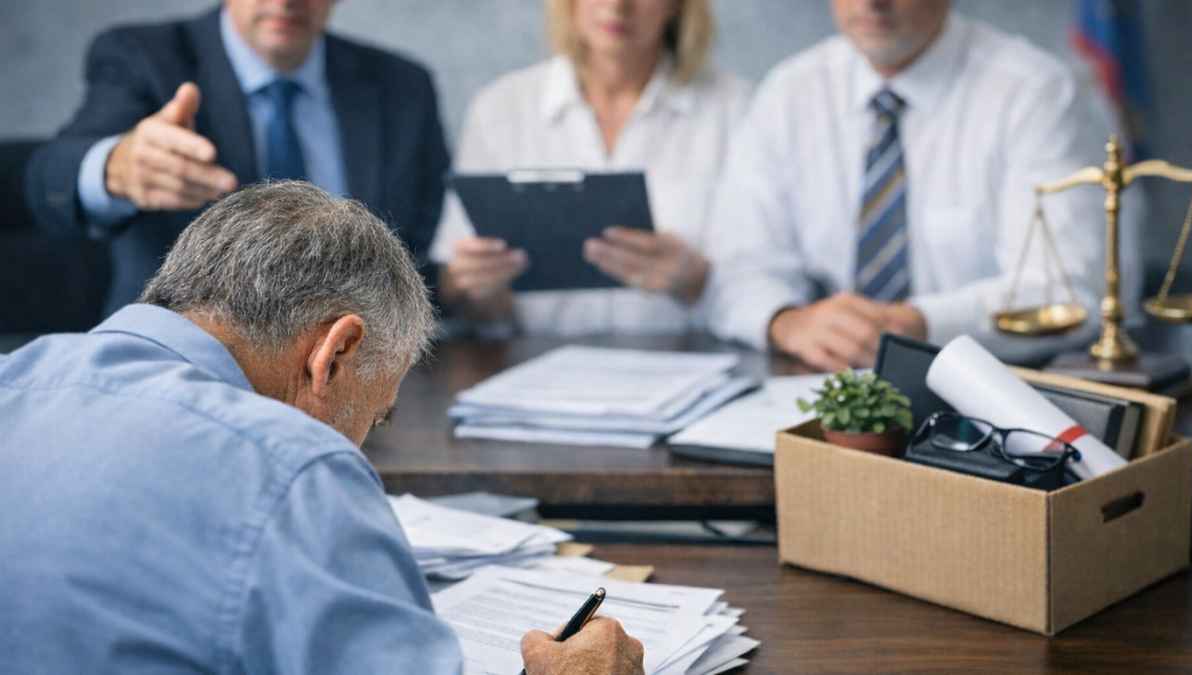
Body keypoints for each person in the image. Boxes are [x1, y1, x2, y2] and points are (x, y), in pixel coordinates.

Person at [0, 181, 645, 674]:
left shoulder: (15, 378)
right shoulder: (296, 468)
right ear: (334, 354)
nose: (366, 440)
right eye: (377, 414)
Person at [705, 0, 1112, 371]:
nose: (872, 3)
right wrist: (786, 321)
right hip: (829, 384)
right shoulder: (789, 92)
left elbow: (1063, 293)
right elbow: (737, 269)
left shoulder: (1033, 91)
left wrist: (917, 325)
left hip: (993, 386)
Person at [24, 0, 449, 316]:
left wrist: (460, 287)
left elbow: (412, 252)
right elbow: (47, 178)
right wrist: (115, 168)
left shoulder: (403, 87)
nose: (286, 1)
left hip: (352, 368)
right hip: (179, 359)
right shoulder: (143, 57)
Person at [433, 0, 748, 335]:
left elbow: (763, 280)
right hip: (534, 356)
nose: (617, 6)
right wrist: (474, 286)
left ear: (676, 5)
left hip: (693, 353)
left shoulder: (734, 109)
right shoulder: (500, 108)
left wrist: (696, 281)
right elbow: (460, 292)